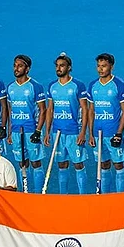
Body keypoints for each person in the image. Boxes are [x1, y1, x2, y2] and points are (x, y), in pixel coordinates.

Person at [44, 53, 89, 194]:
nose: (58, 68)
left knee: (78, 164)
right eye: (57, 66)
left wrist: (83, 132)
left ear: (69, 68)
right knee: (61, 165)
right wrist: (47, 132)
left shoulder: (78, 85)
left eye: (62, 65)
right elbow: (50, 109)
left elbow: (85, 109)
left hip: (74, 133)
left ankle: (83, 197)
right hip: (57, 132)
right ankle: (64, 196)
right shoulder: (52, 86)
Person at [87, 53, 124, 193]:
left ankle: (120, 197)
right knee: (104, 165)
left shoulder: (120, 85)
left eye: (104, 66)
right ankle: (105, 197)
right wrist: (91, 134)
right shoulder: (93, 85)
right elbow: (91, 111)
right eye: (98, 66)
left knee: (118, 165)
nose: (100, 69)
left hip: (113, 134)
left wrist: (119, 133)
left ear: (111, 66)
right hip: (98, 134)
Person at [6, 54, 47, 193]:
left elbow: (43, 110)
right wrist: (10, 132)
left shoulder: (35, 86)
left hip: (31, 130)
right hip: (17, 131)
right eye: (15, 65)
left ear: (27, 69)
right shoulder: (10, 87)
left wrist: (38, 131)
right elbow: (10, 110)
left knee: (36, 162)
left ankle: (38, 193)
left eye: (20, 66)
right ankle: (26, 193)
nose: (16, 68)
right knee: (22, 163)